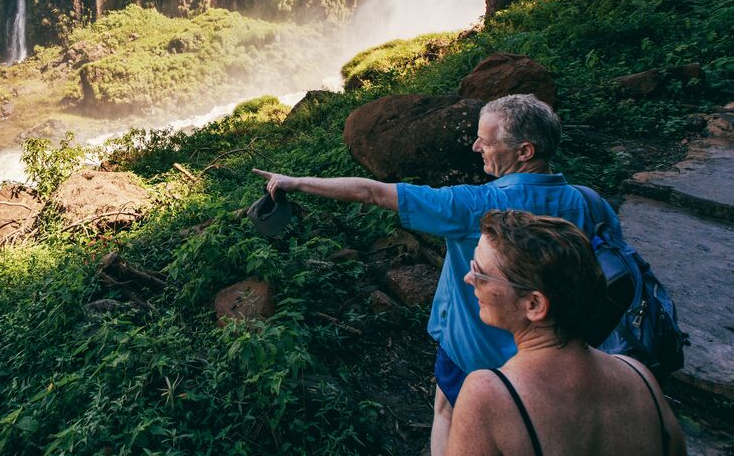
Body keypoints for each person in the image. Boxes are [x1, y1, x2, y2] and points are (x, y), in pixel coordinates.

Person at [252, 93, 623, 456]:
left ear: (524, 151)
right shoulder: (589, 202)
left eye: (485, 140)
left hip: (474, 354)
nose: (476, 147)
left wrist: (294, 182)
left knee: (448, 414)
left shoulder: (475, 206)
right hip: (559, 356)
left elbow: (371, 193)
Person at [446, 210, 685, 456]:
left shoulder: (488, 394)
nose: (468, 278)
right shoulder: (640, 378)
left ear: (534, 305)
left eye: (480, 273)